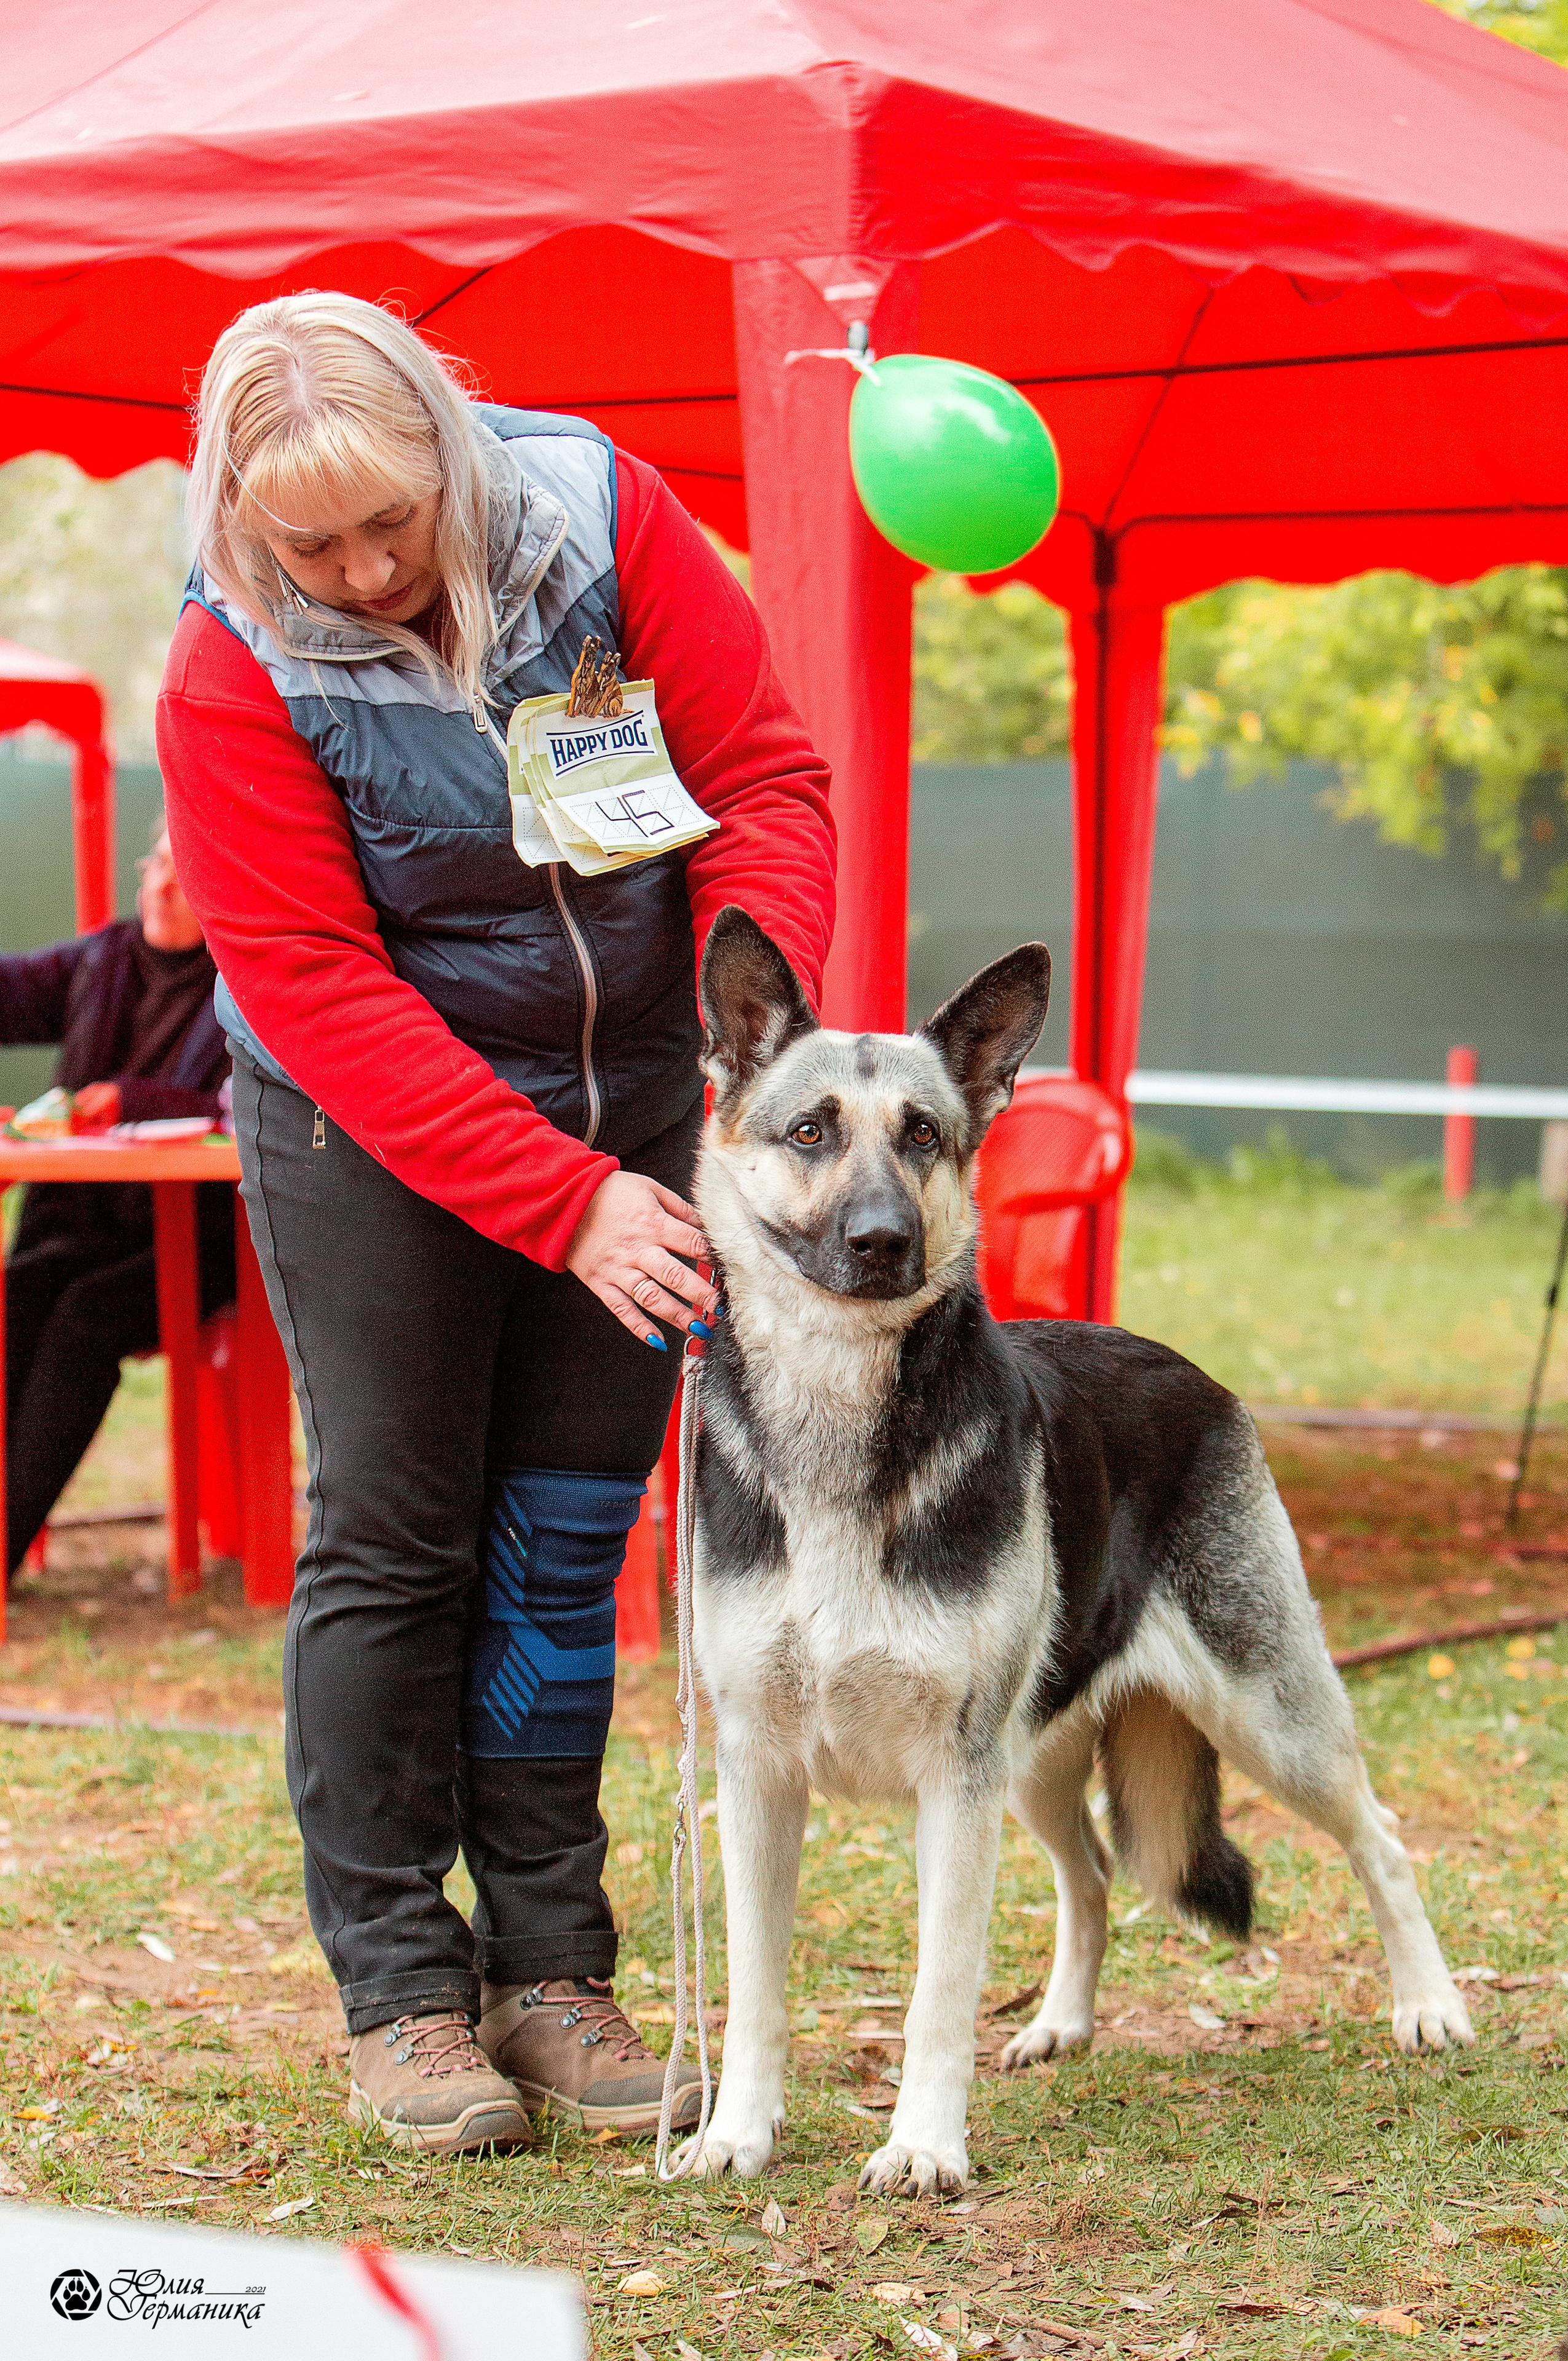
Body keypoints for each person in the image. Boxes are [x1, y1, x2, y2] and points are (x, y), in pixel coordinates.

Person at [156, 293, 835, 2156]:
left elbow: (763, 777)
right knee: (397, 1531)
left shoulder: (603, 517)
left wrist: (737, 1036)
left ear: (454, 452)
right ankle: (400, 1992)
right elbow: (306, 976)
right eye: (315, 542)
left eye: (395, 519)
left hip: (637, 1096)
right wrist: (562, 1202)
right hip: (364, 1128)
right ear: (244, 521)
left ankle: (550, 1970)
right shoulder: (233, 665)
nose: (368, 569)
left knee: (560, 1532)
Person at [0, 827, 234, 1576]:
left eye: (187, 874)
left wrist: (131, 1100)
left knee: (83, 1317)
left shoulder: (250, 982)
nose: (163, 887)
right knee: (21, 1291)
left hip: (204, 1238)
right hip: (85, 1224)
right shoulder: (103, 958)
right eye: (159, 865)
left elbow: (245, 1107)